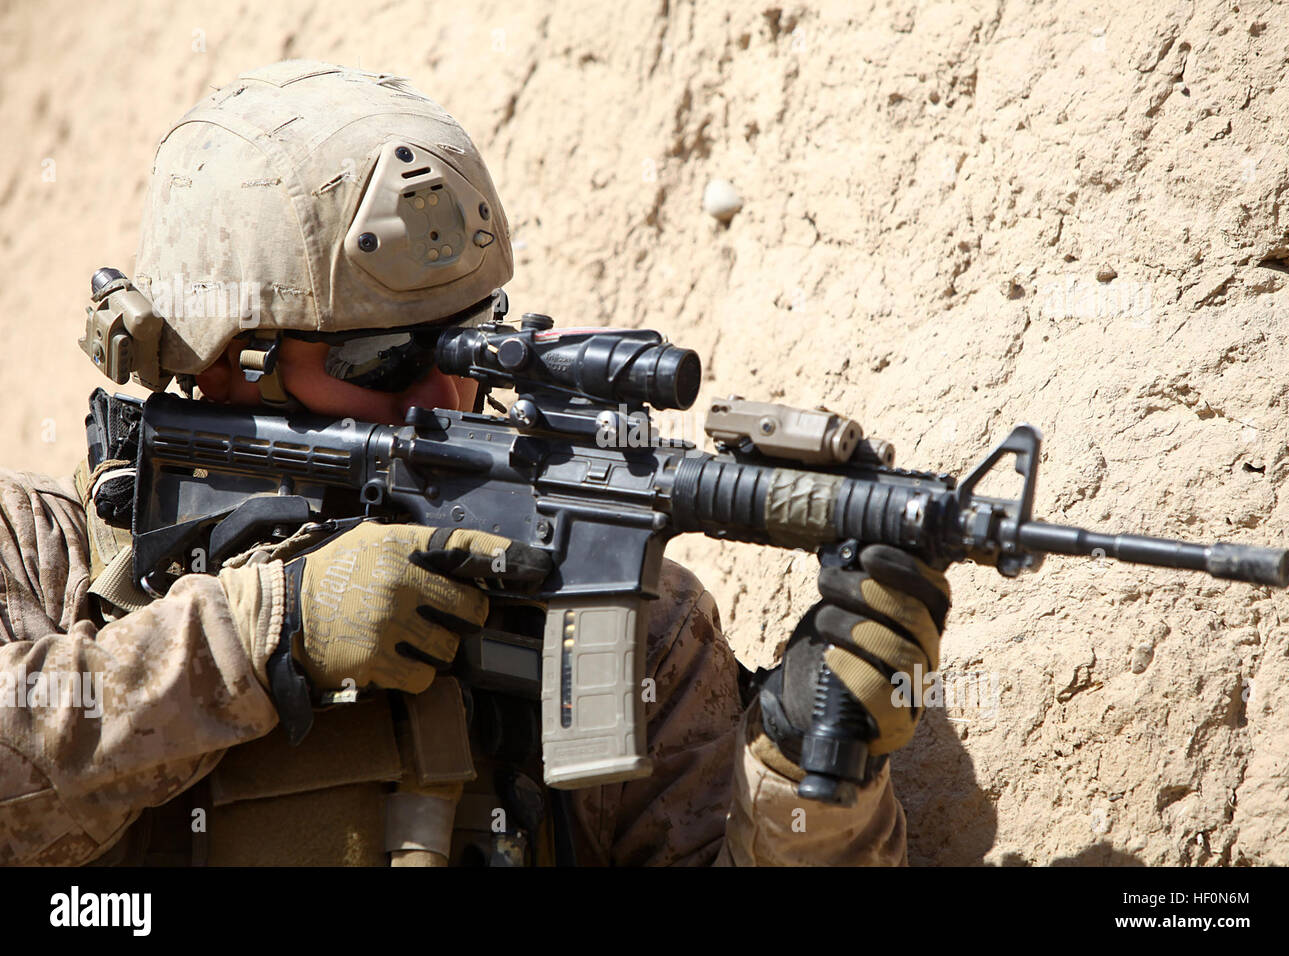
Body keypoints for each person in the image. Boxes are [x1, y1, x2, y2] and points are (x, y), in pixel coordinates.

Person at [0, 61, 951, 866]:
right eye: (380, 361)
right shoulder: (45, 557)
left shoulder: (615, 614)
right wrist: (260, 635)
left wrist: (810, 780)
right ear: (216, 364)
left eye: (471, 345)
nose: (444, 399)